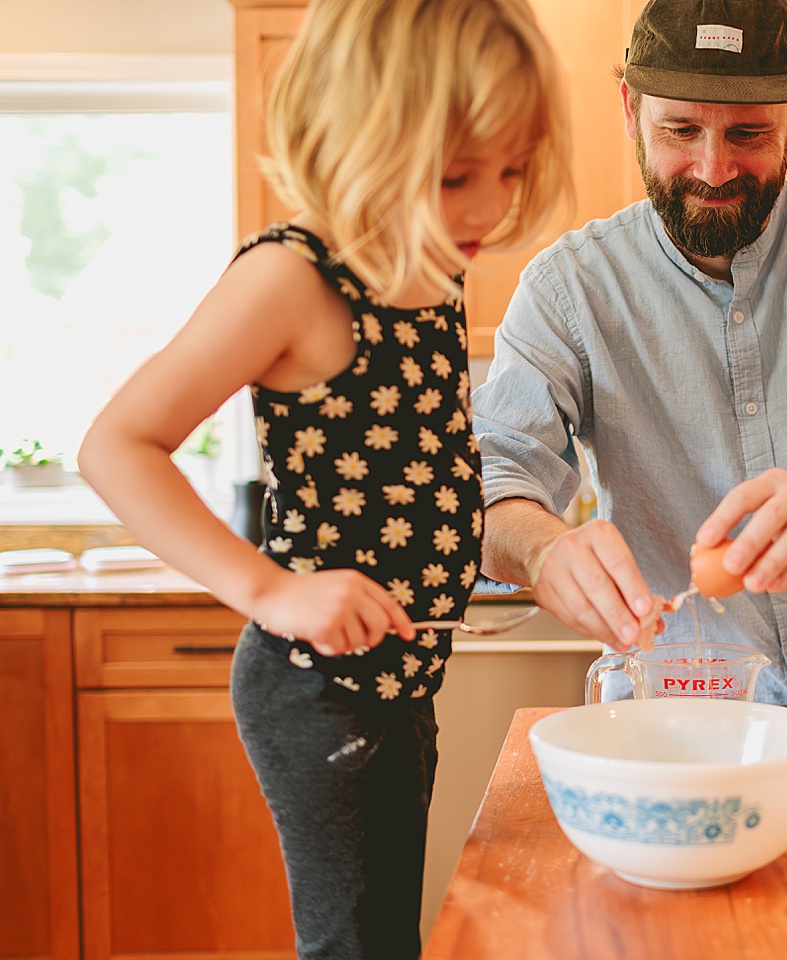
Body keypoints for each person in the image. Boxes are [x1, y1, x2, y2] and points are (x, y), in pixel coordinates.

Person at [76, 0, 571, 955]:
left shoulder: (430, 262)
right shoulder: (289, 279)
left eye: (509, 170)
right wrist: (271, 590)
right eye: (453, 175)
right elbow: (117, 445)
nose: (487, 207)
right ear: (357, 139)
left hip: (402, 674)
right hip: (315, 687)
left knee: (388, 939)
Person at [472, 0, 787, 707]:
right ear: (630, 110)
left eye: (747, 134)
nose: (713, 170)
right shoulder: (569, 289)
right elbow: (493, 474)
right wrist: (541, 548)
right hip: (683, 703)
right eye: (680, 130)